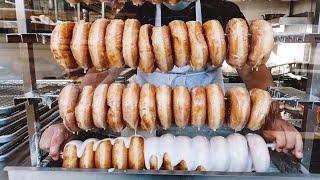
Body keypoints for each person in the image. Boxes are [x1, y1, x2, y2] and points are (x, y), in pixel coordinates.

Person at [40, 0, 303, 161]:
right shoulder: (136, 11)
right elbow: (103, 70)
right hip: (148, 127)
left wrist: (273, 118)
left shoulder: (223, 10)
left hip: (212, 130)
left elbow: (254, 71)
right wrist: (71, 121)